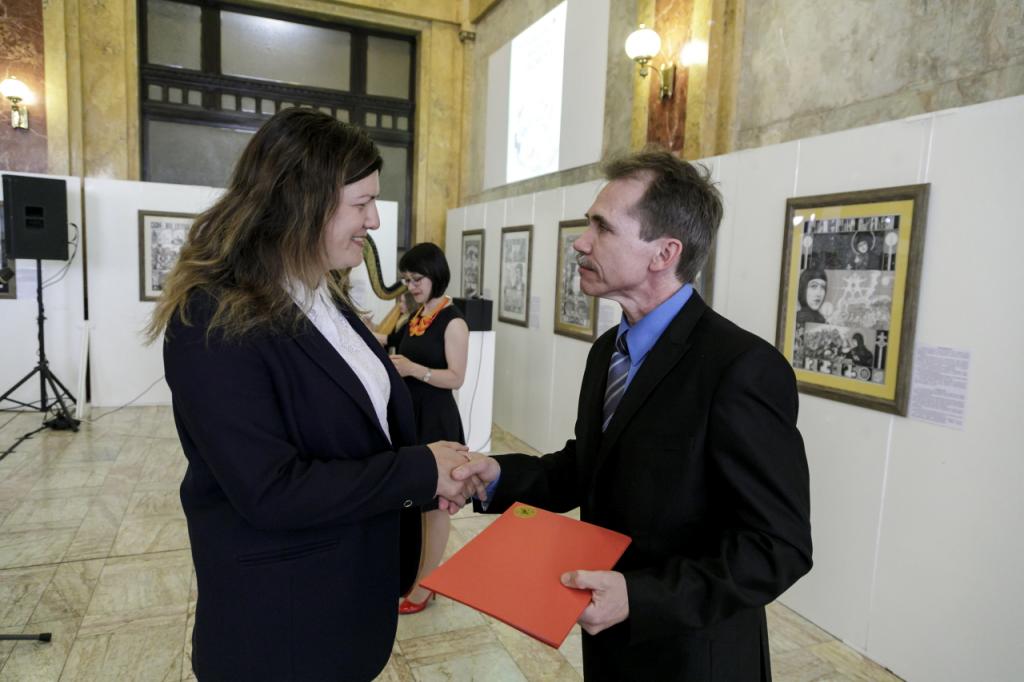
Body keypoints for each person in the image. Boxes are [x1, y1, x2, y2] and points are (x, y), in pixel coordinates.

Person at [147, 108, 480, 681]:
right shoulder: (212, 318)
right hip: (282, 624)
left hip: (346, 600)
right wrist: (417, 470)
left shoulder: (320, 291)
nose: (375, 220)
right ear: (302, 202)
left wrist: (432, 469)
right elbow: (269, 490)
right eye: (361, 203)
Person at [455, 150, 812, 681]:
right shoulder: (609, 350)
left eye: (602, 227)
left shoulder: (741, 367)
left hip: (694, 657)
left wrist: (641, 597)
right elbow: (592, 466)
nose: (580, 242)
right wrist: (499, 476)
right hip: (612, 643)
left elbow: (777, 546)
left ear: (664, 253)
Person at [386, 243, 470, 614]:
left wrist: (414, 370)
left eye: (416, 279)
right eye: (406, 280)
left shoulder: (454, 321)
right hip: (413, 418)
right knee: (415, 502)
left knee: (435, 507)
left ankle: (426, 586)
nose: (411, 286)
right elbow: (391, 342)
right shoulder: (418, 314)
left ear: (435, 275)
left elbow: (456, 378)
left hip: (436, 419)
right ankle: (413, 575)